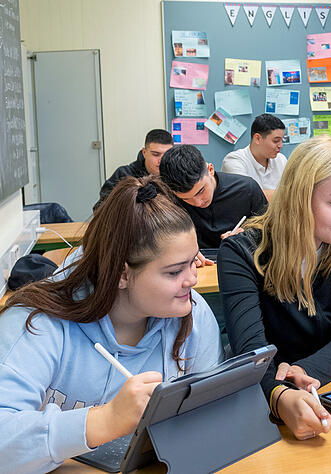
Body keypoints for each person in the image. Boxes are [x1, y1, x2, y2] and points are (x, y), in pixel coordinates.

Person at [0, 176, 223, 472]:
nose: (192, 280)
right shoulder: (36, 323)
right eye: (173, 272)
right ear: (122, 274)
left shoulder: (192, 315)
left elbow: (213, 417)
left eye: (193, 261)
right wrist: (105, 421)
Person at [218, 136, 331, 436]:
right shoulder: (241, 252)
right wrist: (281, 394)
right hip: (270, 396)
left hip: (329, 386)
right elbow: (252, 352)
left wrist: (303, 372)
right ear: (298, 198)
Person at [159, 145, 267, 251]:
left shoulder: (247, 189)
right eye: (186, 199)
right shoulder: (169, 199)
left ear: (210, 169)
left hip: (242, 259)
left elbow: (270, 231)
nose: (198, 202)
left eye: (201, 191)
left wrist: (247, 236)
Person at [95, 129, 173, 209]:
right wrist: (133, 199)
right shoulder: (124, 175)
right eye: (156, 154)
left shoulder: (176, 176)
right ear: (144, 153)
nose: (161, 160)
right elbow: (100, 209)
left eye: (166, 155)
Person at [221, 114, 288, 200]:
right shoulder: (234, 161)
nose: (280, 145)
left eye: (282, 140)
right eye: (276, 141)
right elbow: (248, 196)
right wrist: (287, 194)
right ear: (257, 138)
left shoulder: (281, 160)